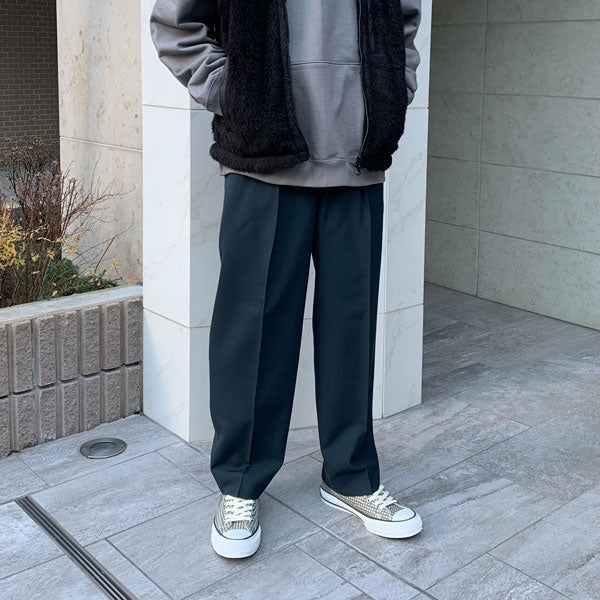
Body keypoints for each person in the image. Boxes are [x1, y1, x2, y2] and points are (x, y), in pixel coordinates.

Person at [150, 0, 423, 559]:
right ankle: (240, 483)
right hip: (263, 158)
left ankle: (350, 475)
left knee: (351, 332)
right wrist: (236, 92)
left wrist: (392, 92)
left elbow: (403, 21)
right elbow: (176, 23)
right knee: (252, 332)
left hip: (357, 158)